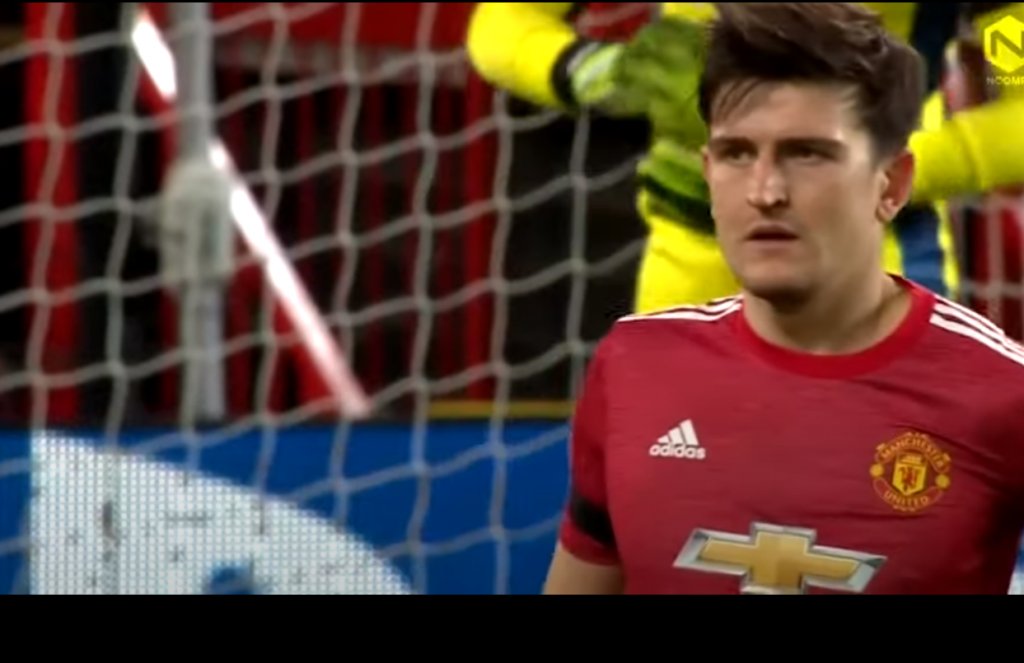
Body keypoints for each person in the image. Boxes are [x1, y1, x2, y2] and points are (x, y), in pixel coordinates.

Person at [543, 2, 1024, 595]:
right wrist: (587, 68)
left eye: (807, 153)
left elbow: (1020, 105)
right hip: (680, 265)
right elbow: (503, 24)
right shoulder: (632, 366)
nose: (766, 191)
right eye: (737, 153)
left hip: (893, 250)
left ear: (891, 179)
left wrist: (882, 180)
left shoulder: (1001, 397)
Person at [466, 2, 1024, 312]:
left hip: (871, 267)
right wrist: (602, 73)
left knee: (870, 486)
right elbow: (503, 20)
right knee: (671, 486)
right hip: (690, 260)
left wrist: (886, 171)